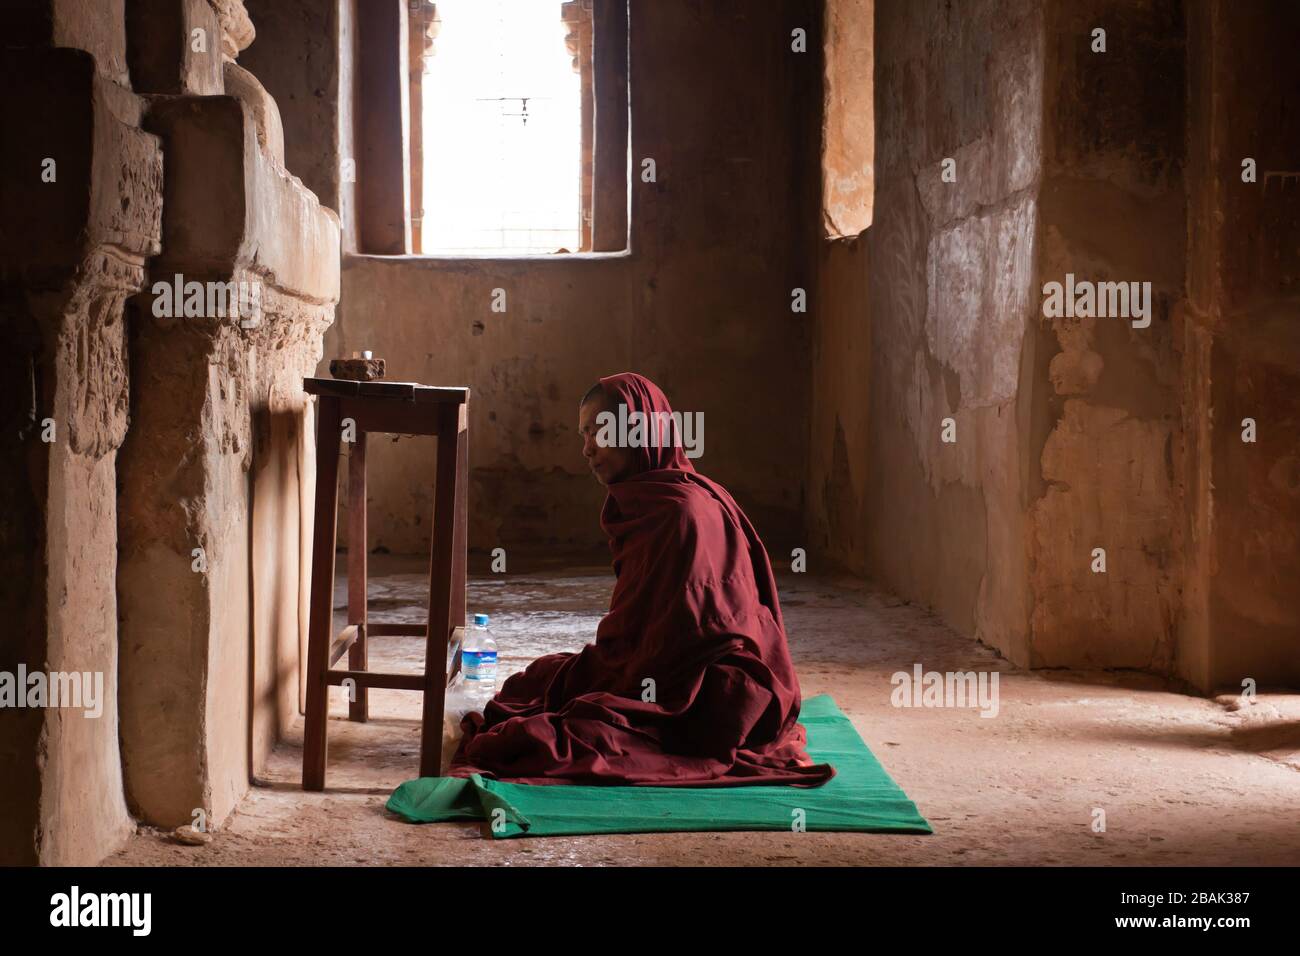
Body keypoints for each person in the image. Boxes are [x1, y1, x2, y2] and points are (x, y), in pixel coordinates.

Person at [447, 372, 835, 787]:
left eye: (597, 432)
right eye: (583, 435)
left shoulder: (679, 511)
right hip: (663, 663)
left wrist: (615, 669)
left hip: (707, 687)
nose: (586, 448)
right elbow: (643, 626)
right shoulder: (653, 498)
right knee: (540, 680)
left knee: (565, 734)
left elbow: (676, 639)